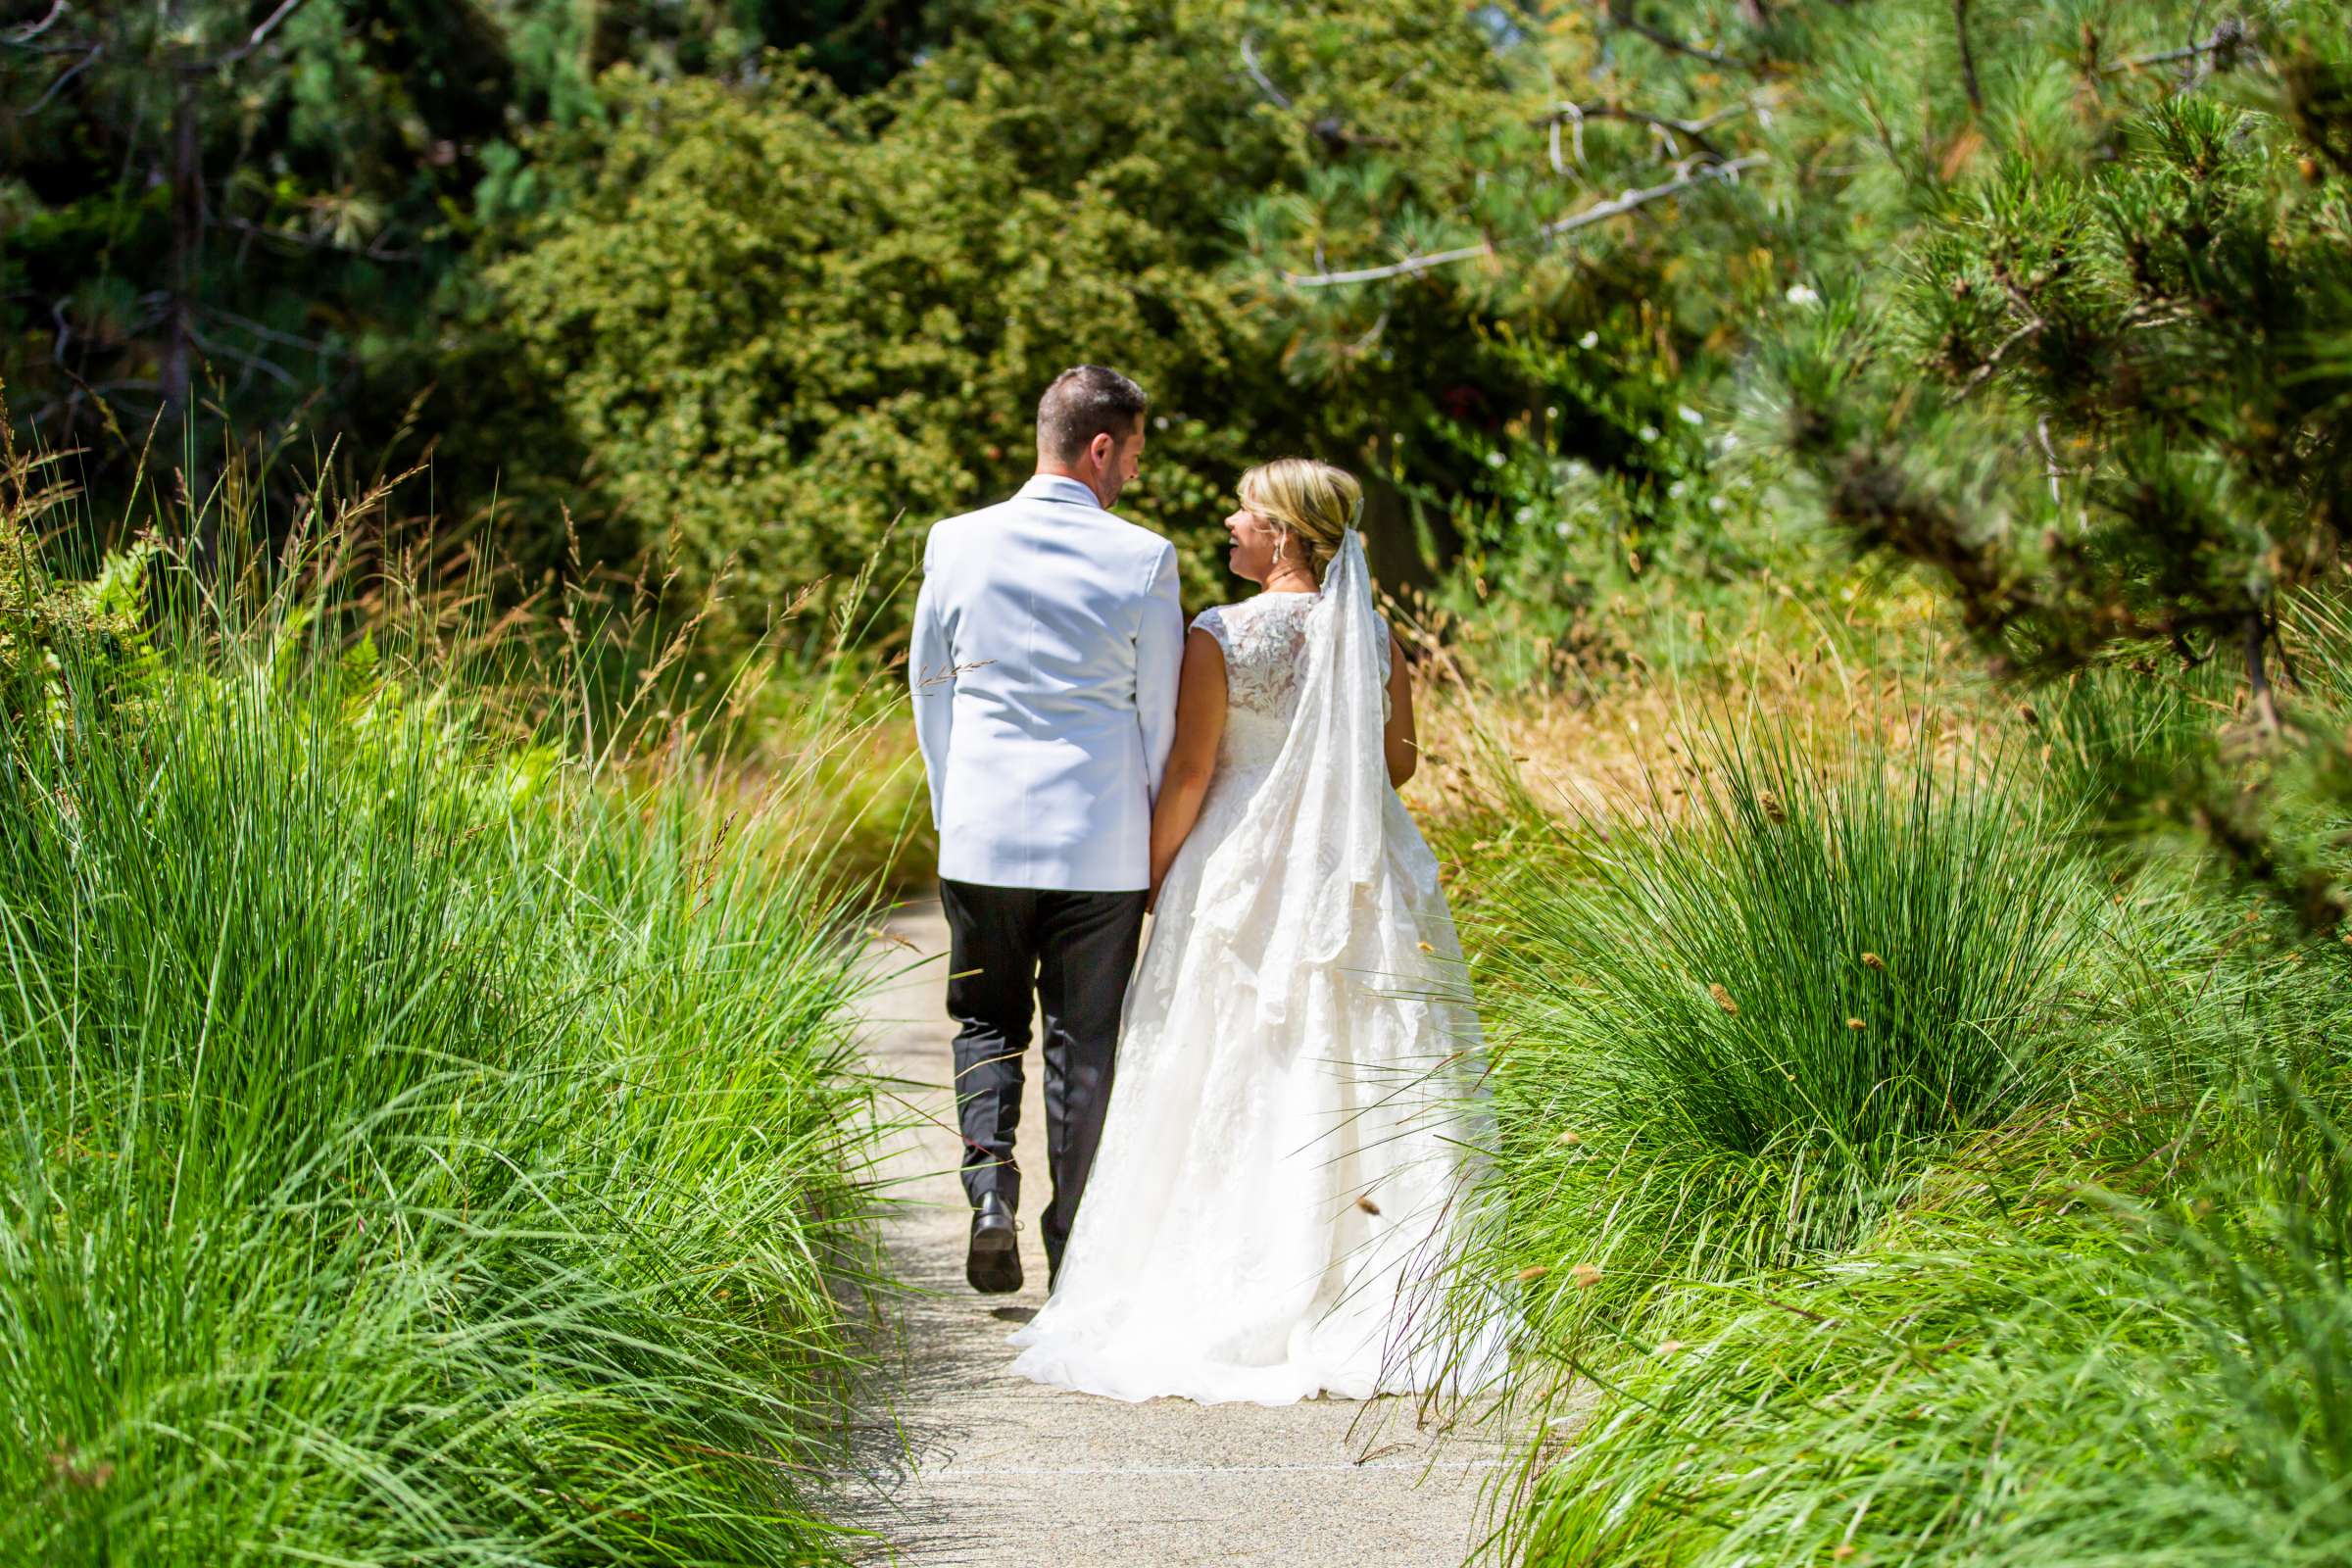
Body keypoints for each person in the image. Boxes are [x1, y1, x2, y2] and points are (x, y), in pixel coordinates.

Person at [1007, 457, 1502, 1404]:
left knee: (1228, 1054)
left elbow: (1190, 774)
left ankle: (1228, 1264)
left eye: (1243, 512)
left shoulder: (1221, 635)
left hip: (1236, 864)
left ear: (1282, 534)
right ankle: (1373, 1271)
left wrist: (1147, 882)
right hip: (1357, 861)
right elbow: (1394, 763)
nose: (1227, 524)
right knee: (1355, 1048)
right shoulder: (1373, 634)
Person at [907, 366, 1184, 1294]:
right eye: (1134, 456)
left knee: (985, 1020)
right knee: (1083, 1041)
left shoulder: (955, 540)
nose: (1134, 477)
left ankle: (990, 1192)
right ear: (1099, 447)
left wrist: (958, 808)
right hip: (1098, 847)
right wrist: (1147, 838)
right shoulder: (1144, 558)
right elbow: (1160, 718)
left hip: (982, 834)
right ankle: (1073, 1241)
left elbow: (929, 687)